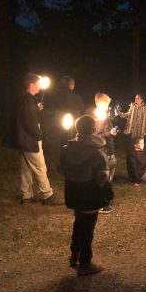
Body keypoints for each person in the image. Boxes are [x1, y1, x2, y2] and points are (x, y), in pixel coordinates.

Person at [59, 115, 114, 276]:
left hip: (73, 193)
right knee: (88, 229)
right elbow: (101, 178)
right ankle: (85, 263)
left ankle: (74, 255)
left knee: (78, 222)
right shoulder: (97, 154)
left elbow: (61, 170)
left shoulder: (66, 149)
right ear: (94, 129)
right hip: (90, 194)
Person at [17, 73, 62, 206]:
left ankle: (26, 196)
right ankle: (47, 195)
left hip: (23, 140)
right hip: (30, 140)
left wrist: (37, 109)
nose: (39, 87)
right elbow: (30, 122)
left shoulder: (26, 99)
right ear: (31, 85)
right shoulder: (29, 101)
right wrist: (39, 135)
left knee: (26, 168)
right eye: (37, 84)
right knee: (40, 167)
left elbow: (28, 115)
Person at [86, 92, 118, 214]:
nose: (107, 106)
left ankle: (104, 201)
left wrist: (112, 131)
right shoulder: (96, 117)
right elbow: (96, 136)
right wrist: (110, 133)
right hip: (104, 152)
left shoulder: (103, 116)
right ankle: (101, 204)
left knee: (107, 178)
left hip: (109, 150)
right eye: (106, 104)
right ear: (99, 103)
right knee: (103, 179)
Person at [56, 76, 85, 147]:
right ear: (71, 85)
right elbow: (82, 111)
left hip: (57, 127)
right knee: (71, 146)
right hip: (73, 126)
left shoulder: (55, 97)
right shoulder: (76, 97)